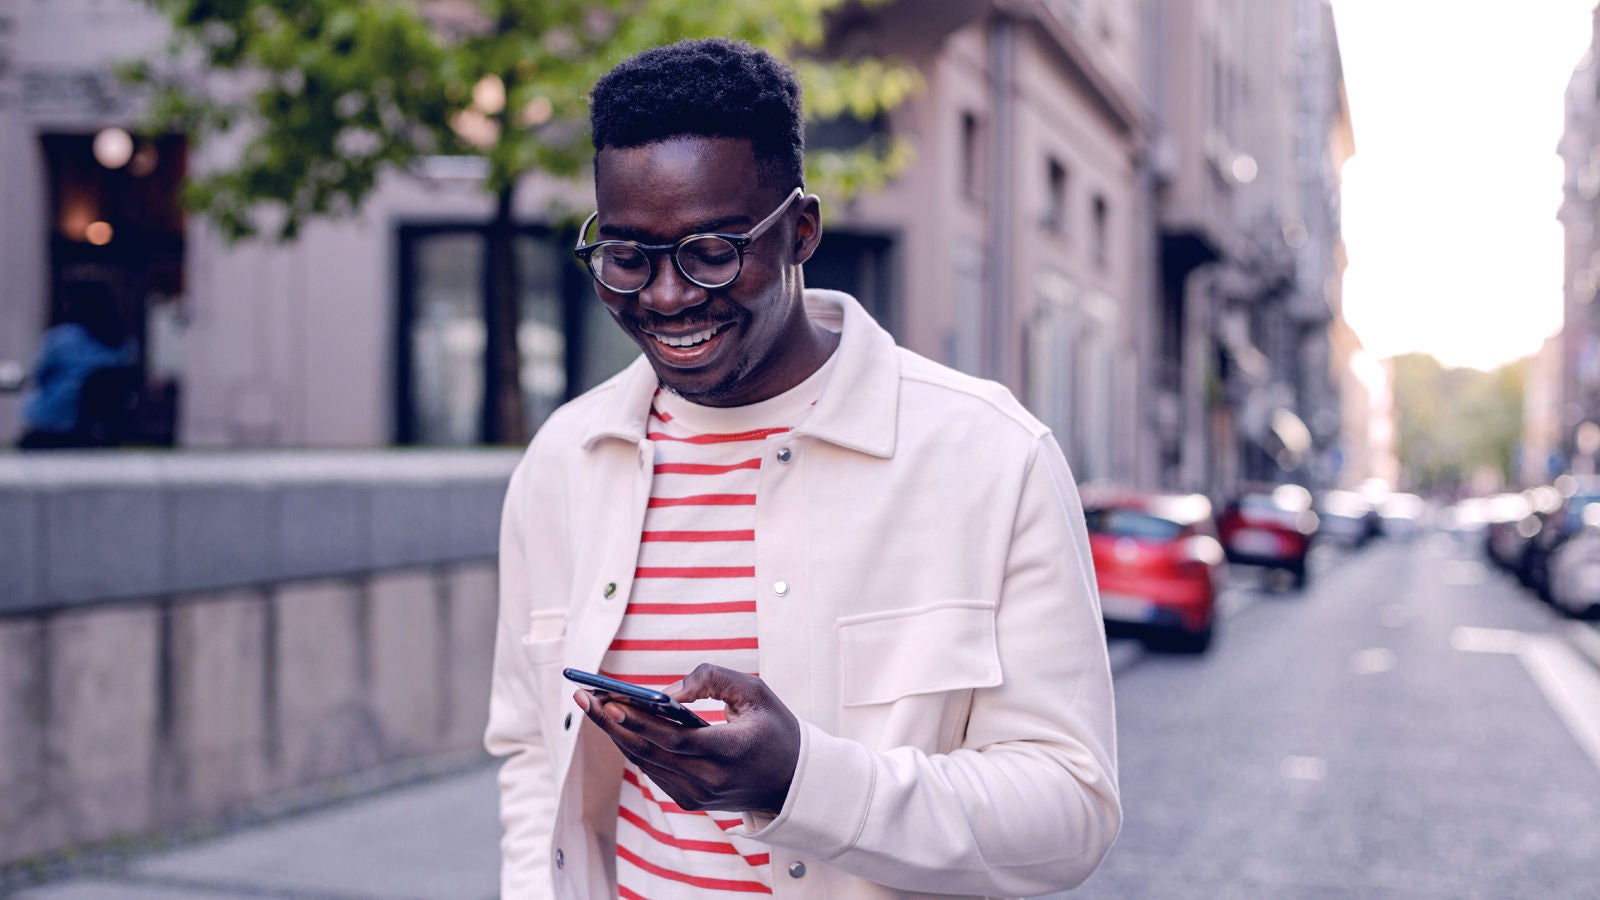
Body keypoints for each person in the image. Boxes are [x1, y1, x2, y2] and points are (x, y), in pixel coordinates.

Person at [486, 38, 1120, 899]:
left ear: (801, 231)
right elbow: (532, 748)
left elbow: (1070, 811)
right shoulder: (564, 460)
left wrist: (801, 784)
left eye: (712, 251)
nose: (666, 298)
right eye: (628, 257)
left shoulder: (993, 457)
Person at [17, 281, 136, 449]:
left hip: (53, 425)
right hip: (97, 429)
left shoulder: (61, 340)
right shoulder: (123, 344)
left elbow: (38, 377)